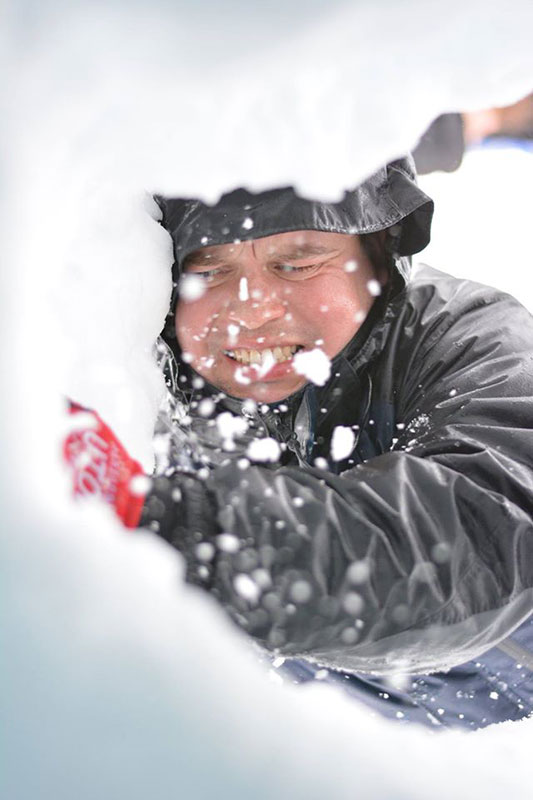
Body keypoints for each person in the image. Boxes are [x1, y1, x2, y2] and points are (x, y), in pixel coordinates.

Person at [66, 156, 533, 730]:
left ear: (380, 252)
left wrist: (174, 521)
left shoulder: (474, 342)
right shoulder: (152, 385)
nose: (249, 311)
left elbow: (482, 534)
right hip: (363, 747)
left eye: (297, 263)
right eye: (206, 270)